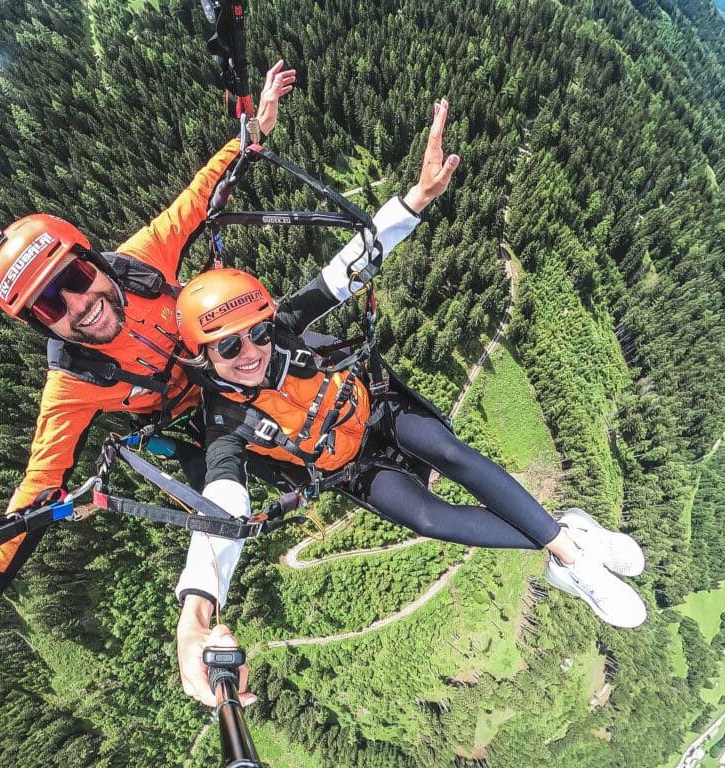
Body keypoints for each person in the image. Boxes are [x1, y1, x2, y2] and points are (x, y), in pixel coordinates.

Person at [173, 99, 646, 707]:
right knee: (430, 519)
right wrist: (198, 611)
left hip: (376, 407)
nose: (252, 351)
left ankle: (569, 552)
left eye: (259, 332)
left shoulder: (286, 325)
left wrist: (416, 199)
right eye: (228, 345)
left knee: (450, 452)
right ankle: (569, 541)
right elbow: (222, 511)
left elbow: (346, 270)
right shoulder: (224, 425)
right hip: (347, 465)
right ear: (201, 355)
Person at [0, 61, 297, 665]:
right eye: (48, 304)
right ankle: (198, 621)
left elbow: (197, 199)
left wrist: (254, 132)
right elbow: (40, 486)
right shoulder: (71, 385)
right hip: (183, 423)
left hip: (224, 364)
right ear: (40, 324)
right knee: (226, 494)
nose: (77, 306)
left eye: (72, 277)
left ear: (91, 260)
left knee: (307, 370)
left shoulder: (141, 263)